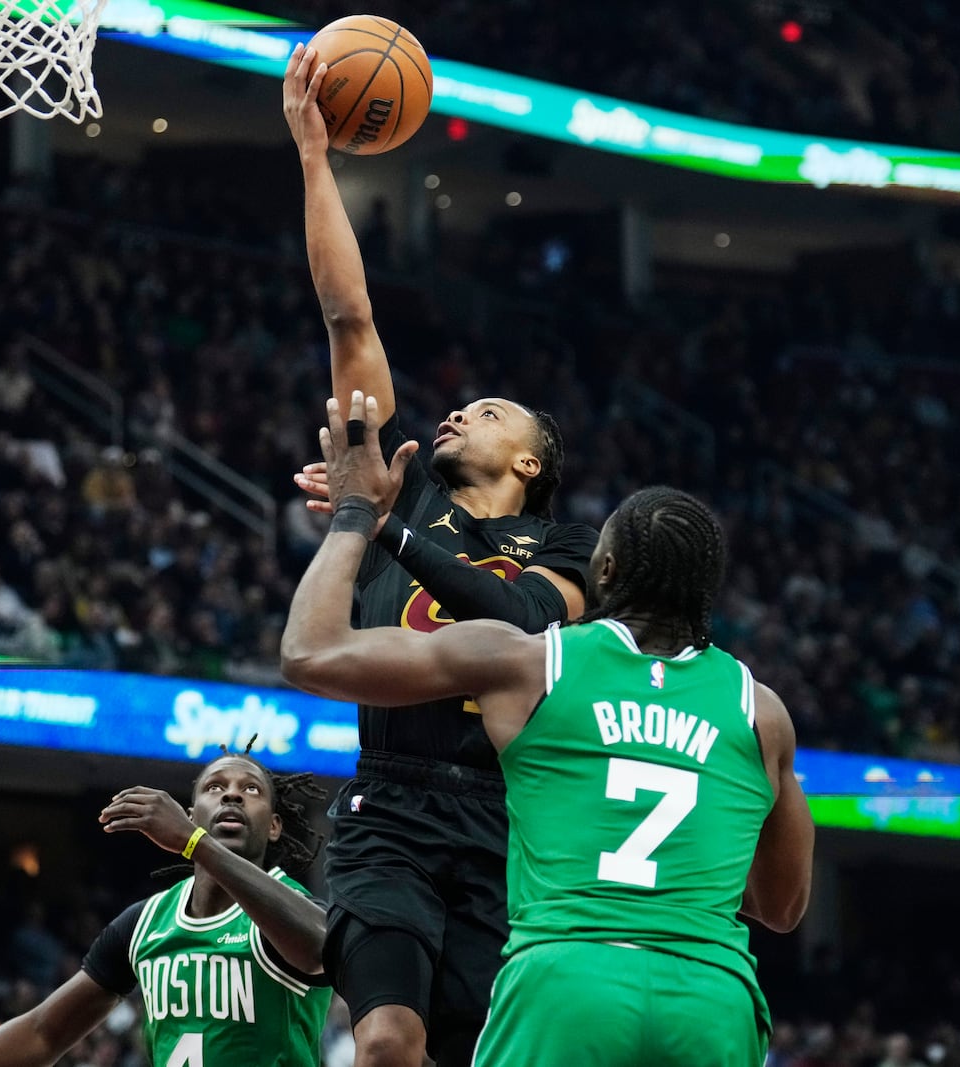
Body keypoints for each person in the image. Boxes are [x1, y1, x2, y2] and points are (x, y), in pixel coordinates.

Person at [282, 393, 816, 1067]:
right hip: (710, 995)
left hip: (567, 976)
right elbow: (783, 902)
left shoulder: (539, 663)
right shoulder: (760, 709)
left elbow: (308, 654)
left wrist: (359, 515)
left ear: (606, 573)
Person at [282, 45, 600, 1067]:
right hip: (388, 795)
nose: (457, 408)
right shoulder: (400, 480)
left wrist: (385, 527)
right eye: (462, 402)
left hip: (504, 818)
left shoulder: (569, 545)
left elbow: (520, 625)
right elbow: (349, 317)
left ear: (531, 457)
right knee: (382, 1043)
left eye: (489, 410)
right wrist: (314, 161)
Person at [0, 754, 333, 1067]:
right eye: (216, 787)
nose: (232, 796)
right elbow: (45, 1032)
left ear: (275, 826)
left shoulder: (296, 909)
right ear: (192, 813)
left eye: (251, 790)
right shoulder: (145, 924)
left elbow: (320, 945)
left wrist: (195, 845)